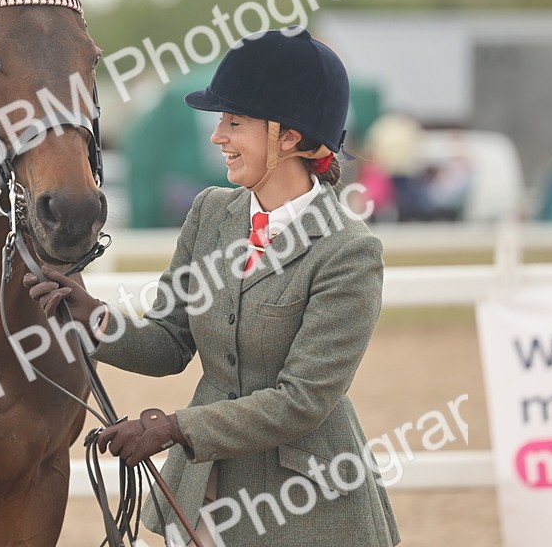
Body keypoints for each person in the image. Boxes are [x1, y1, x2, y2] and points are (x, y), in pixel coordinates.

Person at [26, 29, 400, 546]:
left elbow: (301, 401)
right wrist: (95, 317)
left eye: (234, 122)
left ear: (288, 135)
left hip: (305, 507)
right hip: (203, 491)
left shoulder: (348, 252)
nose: (217, 136)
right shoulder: (210, 213)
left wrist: (175, 429)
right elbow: (171, 339)